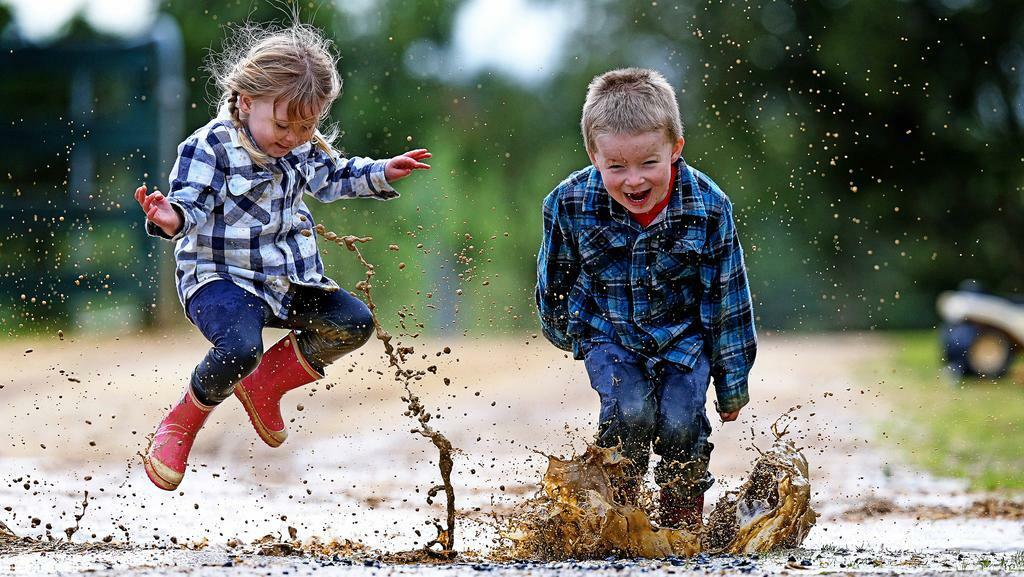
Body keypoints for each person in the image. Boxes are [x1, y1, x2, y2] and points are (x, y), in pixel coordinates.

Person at [134, 23, 431, 491]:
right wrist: (169, 218)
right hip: (220, 279)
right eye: (284, 124)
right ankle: (182, 421)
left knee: (354, 323)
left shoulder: (301, 147)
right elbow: (188, 205)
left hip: (286, 279)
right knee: (240, 348)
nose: (294, 137)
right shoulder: (209, 147)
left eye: (307, 126)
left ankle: (266, 384)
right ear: (247, 101)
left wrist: (382, 171)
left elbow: (333, 177)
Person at [535, 68, 756, 529]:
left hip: (684, 340)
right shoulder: (568, 203)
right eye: (616, 166)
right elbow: (553, 281)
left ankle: (681, 524)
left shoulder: (709, 207)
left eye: (647, 163)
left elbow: (727, 299)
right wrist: (571, 334)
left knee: (680, 423)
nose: (633, 180)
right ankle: (619, 516)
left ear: (675, 149)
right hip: (608, 333)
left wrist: (731, 382)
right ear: (594, 156)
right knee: (630, 412)